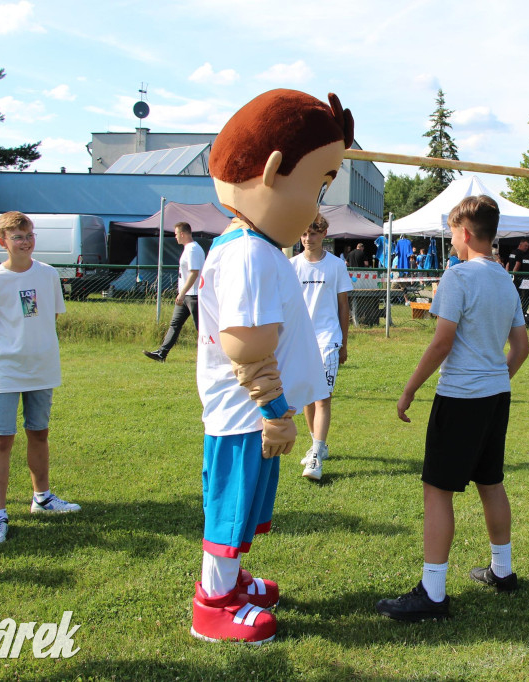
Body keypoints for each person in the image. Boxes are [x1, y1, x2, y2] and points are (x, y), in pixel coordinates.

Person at [192, 89, 353, 644]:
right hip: (246, 415)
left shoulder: (255, 247)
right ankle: (212, 604)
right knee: (231, 510)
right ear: (274, 172)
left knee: (246, 507)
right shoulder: (248, 253)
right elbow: (247, 347)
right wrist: (278, 411)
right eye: (320, 184)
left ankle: (232, 583)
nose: (318, 205)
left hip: (254, 414)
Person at [376, 195, 529, 622]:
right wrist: (495, 379)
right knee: (490, 482)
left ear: (463, 233)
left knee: (437, 490)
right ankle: (503, 571)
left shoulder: (458, 276)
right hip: (496, 398)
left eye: (451, 234)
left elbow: (442, 341)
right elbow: (521, 348)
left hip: (461, 399)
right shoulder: (504, 279)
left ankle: (433, 592)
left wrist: (409, 389)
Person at [0, 212, 79, 546]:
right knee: (0, 440)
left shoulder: (48, 274)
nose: (25, 241)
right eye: (18, 236)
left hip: (42, 369)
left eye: (29, 234)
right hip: (6, 373)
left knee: (39, 433)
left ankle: (42, 497)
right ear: (2, 241)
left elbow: (52, 316)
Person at [290, 214, 351, 482]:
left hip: (328, 338)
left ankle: (315, 456)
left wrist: (344, 344)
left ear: (324, 233)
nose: (307, 239)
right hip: (301, 340)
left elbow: (343, 306)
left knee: (322, 397)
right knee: (306, 396)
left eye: (312, 234)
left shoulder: (337, 266)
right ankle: (318, 444)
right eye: (303, 234)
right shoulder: (291, 265)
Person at [143, 222, 205, 362]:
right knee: (175, 324)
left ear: (182, 234)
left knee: (201, 329)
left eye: (176, 234)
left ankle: (212, 355)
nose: (175, 237)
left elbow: (194, 273)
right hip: (185, 296)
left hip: (193, 295)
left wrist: (182, 292)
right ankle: (161, 353)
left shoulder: (193, 250)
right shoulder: (188, 248)